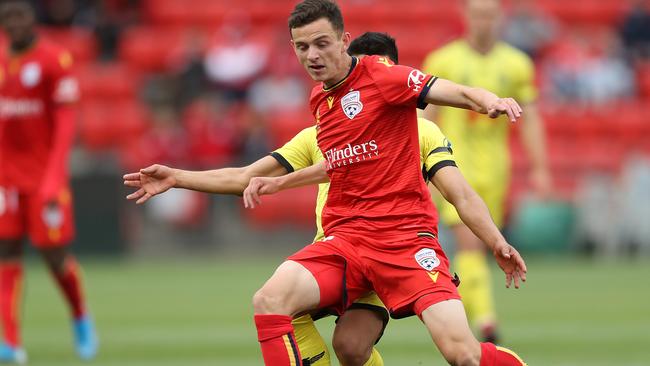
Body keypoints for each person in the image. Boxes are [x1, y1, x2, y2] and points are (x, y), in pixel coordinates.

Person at [241, 1, 527, 365]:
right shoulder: (322, 100)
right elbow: (340, 163)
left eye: (321, 43)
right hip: (346, 242)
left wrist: (489, 100)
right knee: (272, 301)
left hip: (404, 241)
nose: (312, 55)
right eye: (302, 47)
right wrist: (278, 184)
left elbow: (455, 93)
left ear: (343, 41)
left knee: (463, 355)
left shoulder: (383, 77)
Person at [124, 32, 419, 366]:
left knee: (353, 347)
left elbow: (456, 190)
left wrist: (484, 239)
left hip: (386, 253)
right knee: (277, 304)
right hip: (336, 253)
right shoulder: (318, 134)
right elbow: (244, 177)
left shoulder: (415, 131)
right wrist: (177, 177)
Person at [421, 0, 550, 342]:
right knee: (469, 243)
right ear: (465, 17)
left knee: (480, 245)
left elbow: (530, 119)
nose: (484, 22)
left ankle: (476, 312)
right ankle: (487, 321)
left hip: (496, 169)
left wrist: (539, 167)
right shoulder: (444, 60)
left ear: (501, 18)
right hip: (451, 166)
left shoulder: (517, 64)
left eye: (490, 15)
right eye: (478, 15)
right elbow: (426, 118)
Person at [0, 0, 97, 363]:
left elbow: (65, 125)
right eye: (7, 18)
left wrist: (54, 178)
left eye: (20, 16)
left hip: (43, 178)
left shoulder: (53, 60)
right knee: (6, 252)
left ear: (31, 20)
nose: (14, 24)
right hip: (5, 179)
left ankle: (80, 316)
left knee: (54, 256)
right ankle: (10, 342)